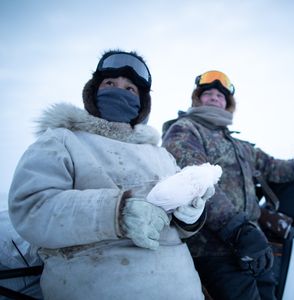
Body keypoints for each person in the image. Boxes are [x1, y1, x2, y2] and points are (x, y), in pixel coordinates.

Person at [8, 50, 212, 300]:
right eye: (110, 84)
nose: (119, 91)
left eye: (130, 90)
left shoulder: (159, 155)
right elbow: (32, 209)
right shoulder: (62, 140)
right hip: (95, 283)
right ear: (93, 92)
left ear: (142, 104)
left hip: (181, 287)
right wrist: (116, 212)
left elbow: (179, 230)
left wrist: (189, 218)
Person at [161, 70, 294, 300]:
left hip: (254, 246)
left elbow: (273, 166)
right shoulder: (185, 130)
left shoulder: (239, 145)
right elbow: (193, 180)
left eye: (220, 96)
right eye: (208, 93)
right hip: (212, 249)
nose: (214, 98)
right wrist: (236, 229)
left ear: (228, 104)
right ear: (197, 99)